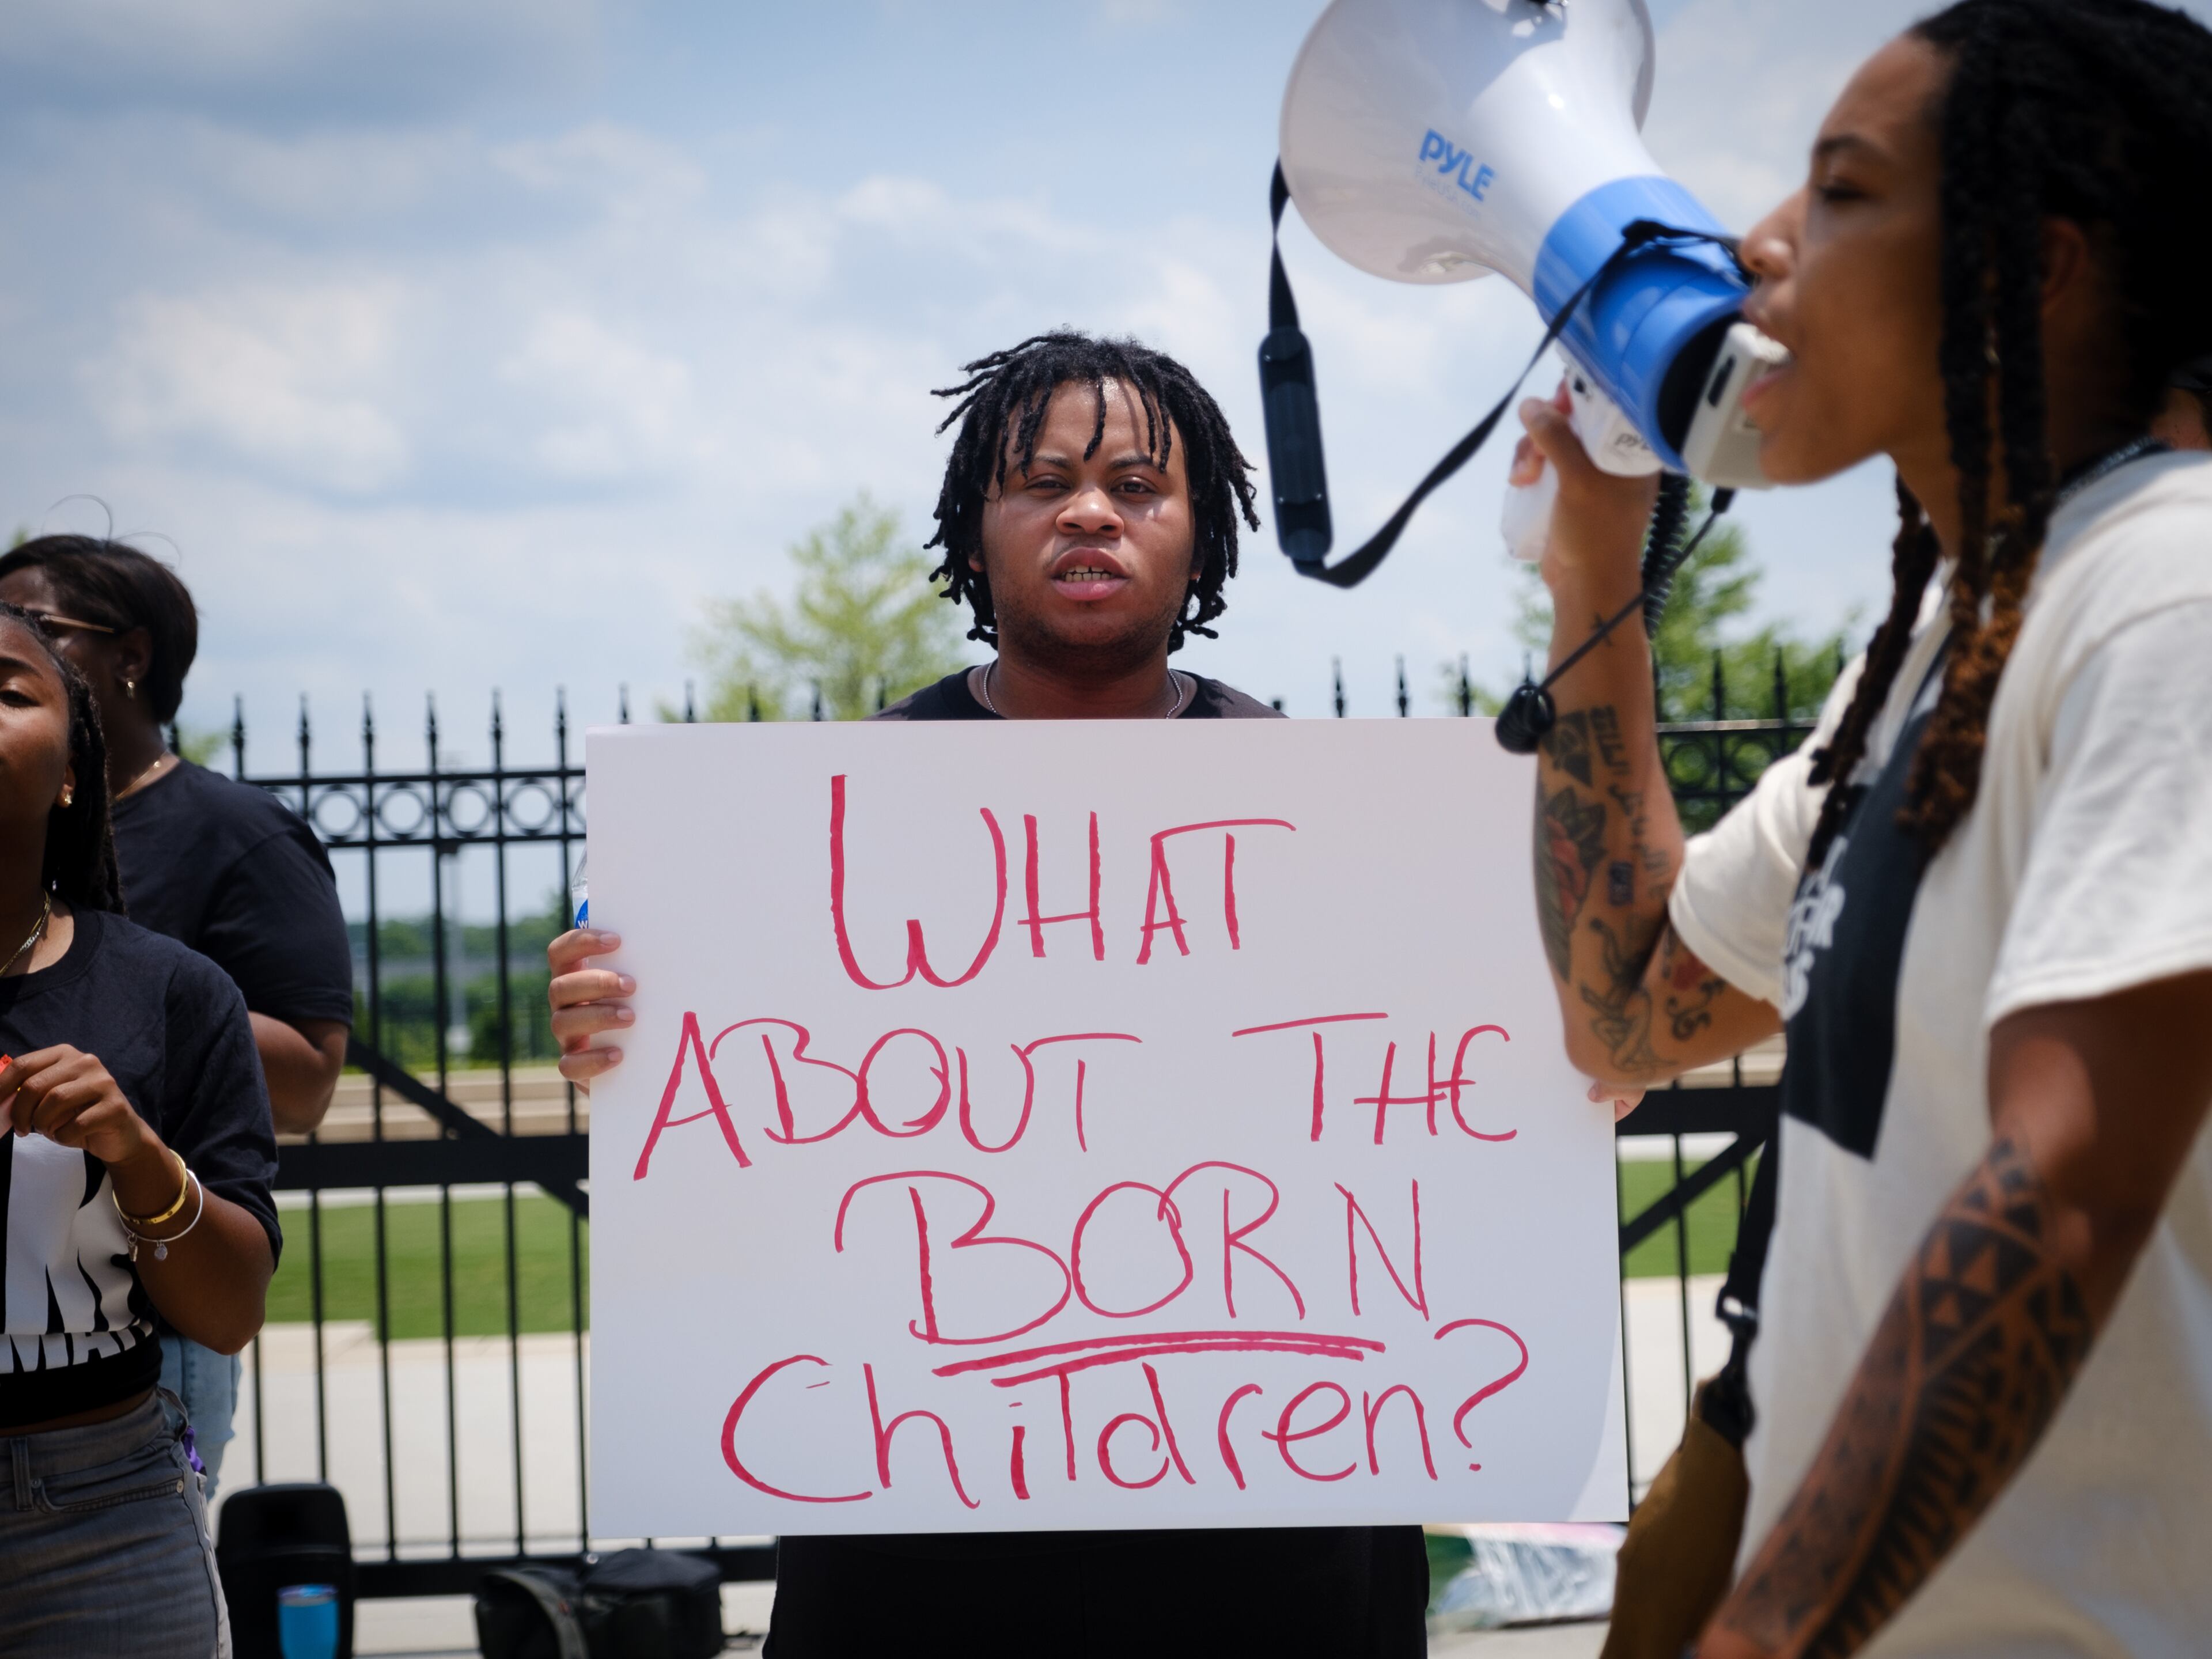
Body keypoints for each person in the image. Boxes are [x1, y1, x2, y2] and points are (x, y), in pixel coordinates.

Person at [548, 331, 1430, 1657]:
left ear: (1202, 541)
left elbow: (1446, 1086)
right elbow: (718, 1104)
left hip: (1275, 1521)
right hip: (922, 1522)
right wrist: (612, 1034)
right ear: (976, 531)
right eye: (1045, 481)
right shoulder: (817, 816)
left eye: (1139, 485)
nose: (1092, 510)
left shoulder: (1331, 812)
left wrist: (1566, 1067)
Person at [1518, 2, 2212, 1654]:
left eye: (1839, 192)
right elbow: (1630, 1001)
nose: (1760, 246)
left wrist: (1762, 1636)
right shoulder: (1938, 648)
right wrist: (1591, 574)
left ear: (2034, 268)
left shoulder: (2168, 592)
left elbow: (2064, 1187)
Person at [0, 537, 354, 1498]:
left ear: (130, 657)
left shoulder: (235, 831)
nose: (13, 638)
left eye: (39, 630)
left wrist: (124, 992)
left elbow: (315, 1079)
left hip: (144, 1308)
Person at [0, 601, 281, 1657]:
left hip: (106, 1514)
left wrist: (136, 1152)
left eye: (8, 690)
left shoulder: (170, 995)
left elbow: (229, 1310)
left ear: (72, 771)